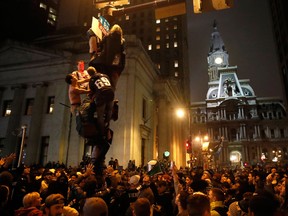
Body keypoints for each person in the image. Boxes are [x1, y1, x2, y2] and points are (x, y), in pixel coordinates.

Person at [89, 24, 125, 90]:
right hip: (114, 65)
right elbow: (122, 53)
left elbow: (100, 45)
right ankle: (111, 90)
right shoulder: (121, 42)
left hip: (103, 61)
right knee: (111, 81)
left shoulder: (107, 36)